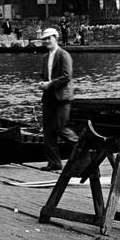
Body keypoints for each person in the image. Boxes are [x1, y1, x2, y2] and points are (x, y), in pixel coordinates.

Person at [37, 26, 76, 171]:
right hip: (48, 97)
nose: (47, 41)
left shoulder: (63, 55)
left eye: (49, 38)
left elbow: (67, 76)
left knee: (61, 128)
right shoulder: (45, 57)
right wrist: (43, 83)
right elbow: (45, 76)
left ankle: (84, 151)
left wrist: (50, 84)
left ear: (56, 38)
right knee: (48, 131)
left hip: (62, 97)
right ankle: (54, 163)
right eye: (44, 39)